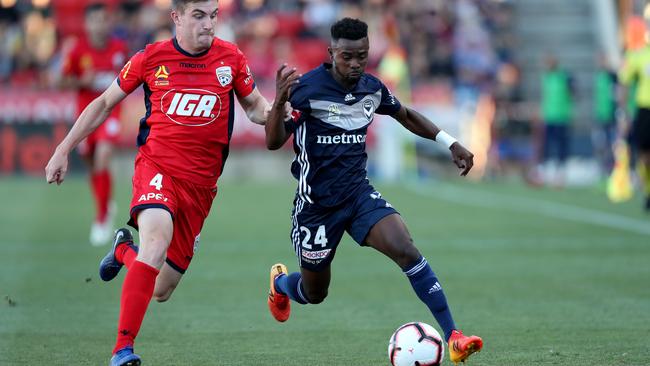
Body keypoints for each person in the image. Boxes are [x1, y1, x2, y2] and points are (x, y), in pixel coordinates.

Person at [45, 1, 270, 364]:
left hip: (201, 188)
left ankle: (122, 250)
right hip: (157, 169)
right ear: (176, 17)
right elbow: (103, 103)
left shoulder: (231, 58)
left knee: (161, 288)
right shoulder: (152, 58)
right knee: (155, 243)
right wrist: (63, 148)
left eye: (213, 15)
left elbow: (257, 108)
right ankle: (122, 350)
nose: (208, 24)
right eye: (198, 16)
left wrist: (280, 112)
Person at [264, 18, 483, 364]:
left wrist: (450, 142)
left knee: (406, 249)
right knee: (314, 292)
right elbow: (274, 141)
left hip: (358, 195)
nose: (355, 65)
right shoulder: (306, 89)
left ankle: (454, 337)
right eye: (347, 57)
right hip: (316, 208)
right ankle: (280, 287)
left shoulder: (371, 88)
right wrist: (278, 102)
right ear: (331, 52)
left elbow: (406, 115)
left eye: (362, 57)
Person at [61, 3, 129, 246]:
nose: (100, 25)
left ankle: (101, 218)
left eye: (103, 19)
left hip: (110, 114)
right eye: (95, 20)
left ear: (108, 22)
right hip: (85, 116)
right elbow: (62, 82)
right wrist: (81, 80)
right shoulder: (77, 50)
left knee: (103, 155)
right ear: (87, 24)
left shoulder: (120, 49)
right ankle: (105, 202)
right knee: (92, 163)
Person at [619, 18, 650, 212]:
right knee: (644, 156)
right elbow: (624, 83)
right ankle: (648, 190)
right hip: (645, 110)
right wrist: (623, 112)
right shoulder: (638, 55)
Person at [540, 54, 574, 187]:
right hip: (549, 117)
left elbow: (573, 93)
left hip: (562, 116)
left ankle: (560, 173)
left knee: (561, 146)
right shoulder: (546, 77)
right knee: (548, 146)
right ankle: (547, 172)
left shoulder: (564, 76)